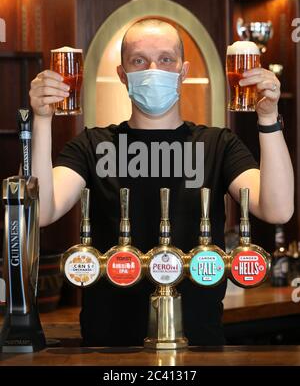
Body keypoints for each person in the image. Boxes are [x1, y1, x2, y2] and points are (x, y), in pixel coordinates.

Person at [29, 19, 294, 346]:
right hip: (109, 346)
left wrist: (268, 120)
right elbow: (40, 213)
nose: (153, 69)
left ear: (183, 72)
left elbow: (278, 209)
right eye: (139, 60)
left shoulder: (217, 144)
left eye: (166, 59)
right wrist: (42, 120)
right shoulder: (93, 144)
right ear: (123, 75)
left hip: (199, 343)